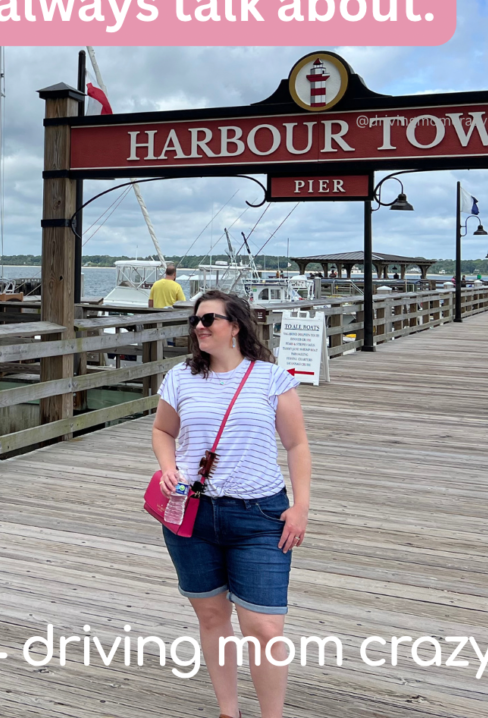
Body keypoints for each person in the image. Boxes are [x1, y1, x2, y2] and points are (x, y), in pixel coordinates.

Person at [152, 290, 311, 718]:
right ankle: (229, 711)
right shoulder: (180, 377)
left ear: (235, 325)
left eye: (209, 319)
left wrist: (300, 507)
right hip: (192, 514)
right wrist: (168, 468)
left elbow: (296, 445)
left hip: (259, 514)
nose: (199, 326)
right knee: (211, 617)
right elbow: (163, 431)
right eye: (195, 321)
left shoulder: (270, 377)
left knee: (263, 627)